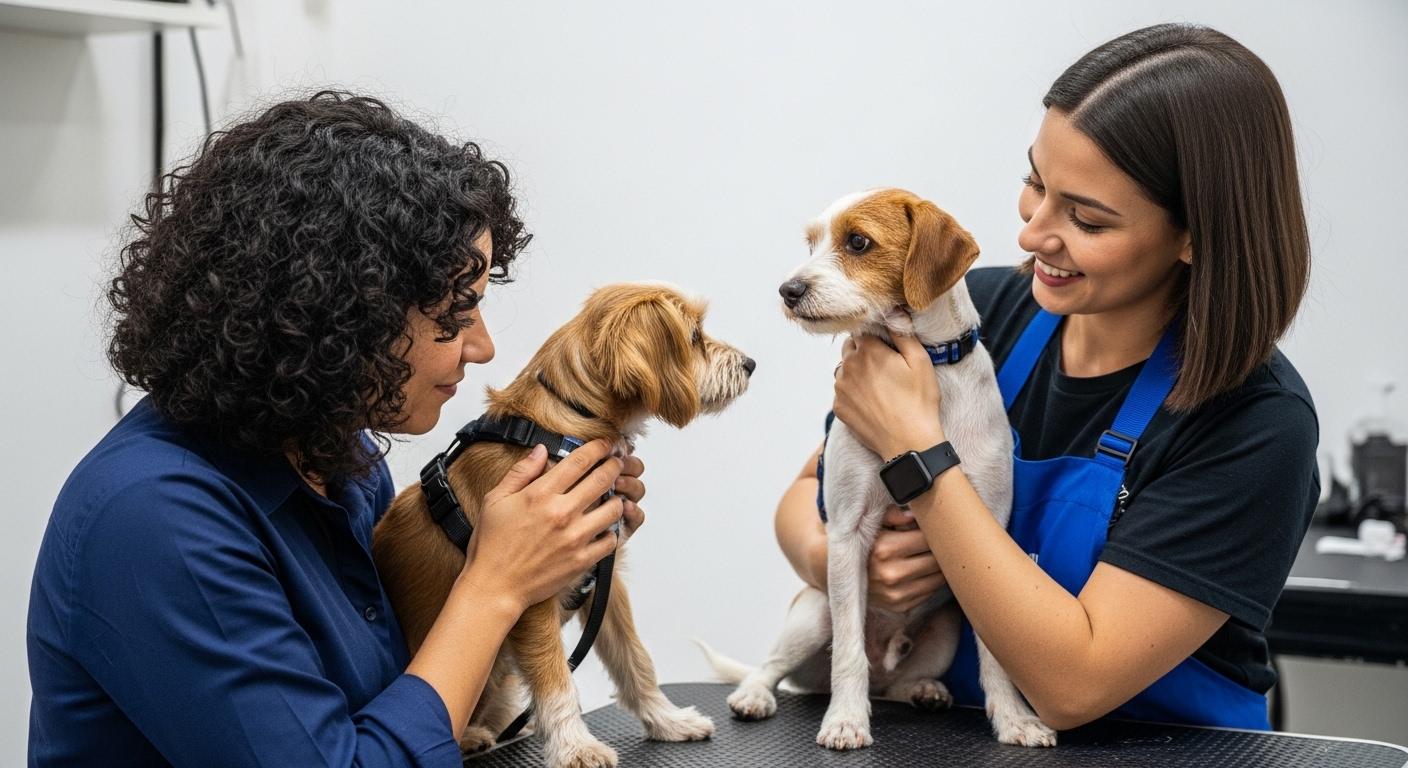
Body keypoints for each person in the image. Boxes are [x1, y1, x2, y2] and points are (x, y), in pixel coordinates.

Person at [27, 91, 646, 766]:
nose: (483, 347)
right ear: (347, 311)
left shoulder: (342, 460)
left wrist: (546, 558)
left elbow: (403, 699)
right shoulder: (156, 521)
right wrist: (493, 586)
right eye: (457, 314)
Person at [776, 23, 1316, 731]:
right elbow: (804, 499)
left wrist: (920, 458)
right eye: (1035, 182)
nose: (1032, 233)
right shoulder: (976, 315)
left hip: (1168, 746)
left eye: (1086, 218)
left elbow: (1073, 687)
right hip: (961, 733)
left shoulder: (1254, 423)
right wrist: (839, 564)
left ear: (1193, 236)